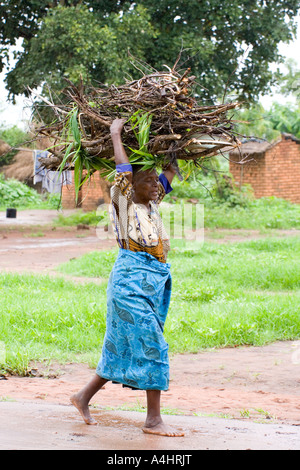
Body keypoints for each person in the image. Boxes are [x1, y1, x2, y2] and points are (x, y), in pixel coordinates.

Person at [71, 118, 184, 437]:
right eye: (147, 181)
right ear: (131, 185)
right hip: (130, 287)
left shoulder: (150, 204)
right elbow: (123, 170)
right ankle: (153, 420)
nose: (154, 185)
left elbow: (169, 173)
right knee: (154, 344)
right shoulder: (124, 204)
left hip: (150, 285)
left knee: (119, 346)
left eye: (154, 182)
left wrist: (174, 141)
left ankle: (82, 397)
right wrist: (115, 133)